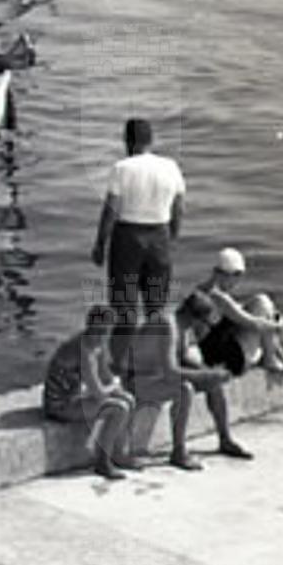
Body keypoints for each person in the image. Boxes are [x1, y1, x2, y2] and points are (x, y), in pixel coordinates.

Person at [91, 116, 185, 373]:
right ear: (151, 140)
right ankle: (153, 363)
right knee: (156, 305)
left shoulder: (122, 168)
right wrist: (172, 239)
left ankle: (119, 364)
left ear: (127, 141)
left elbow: (110, 210)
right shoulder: (170, 167)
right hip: (160, 237)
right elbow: (179, 208)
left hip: (128, 238)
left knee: (125, 307)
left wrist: (100, 244)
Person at [127, 296, 252, 469]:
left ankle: (225, 439)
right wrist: (206, 375)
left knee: (214, 384)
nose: (203, 328)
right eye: (204, 322)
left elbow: (185, 359)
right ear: (194, 318)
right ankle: (178, 452)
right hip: (137, 381)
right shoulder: (167, 326)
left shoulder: (183, 327)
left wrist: (211, 374)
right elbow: (171, 371)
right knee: (184, 390)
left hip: (158, 377)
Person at [41, 304, 136, 480]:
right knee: (118, 409)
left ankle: (119, 452)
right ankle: (103, 462)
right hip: (60, 406)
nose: (100, 335)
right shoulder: (84, 349)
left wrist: (119, 390)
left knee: (128, 399)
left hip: (75, 397)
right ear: (88, 326)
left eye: (105, 331)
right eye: (97, 330)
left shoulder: (97, 345)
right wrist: (114, 386)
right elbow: (99, 393)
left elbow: (105, 375)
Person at [177, 248, 283, 381]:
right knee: (262, 301)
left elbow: (239, 311)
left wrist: (271, 319)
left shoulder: (201, 291)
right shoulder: (217, 297)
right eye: (236, 277)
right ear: (225, 274)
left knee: (263, 306)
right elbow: (254, 323)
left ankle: (274, 356)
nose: (237, 282)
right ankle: (270, 359)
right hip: (229, 362)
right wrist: (278, 325)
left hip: (214, 354)